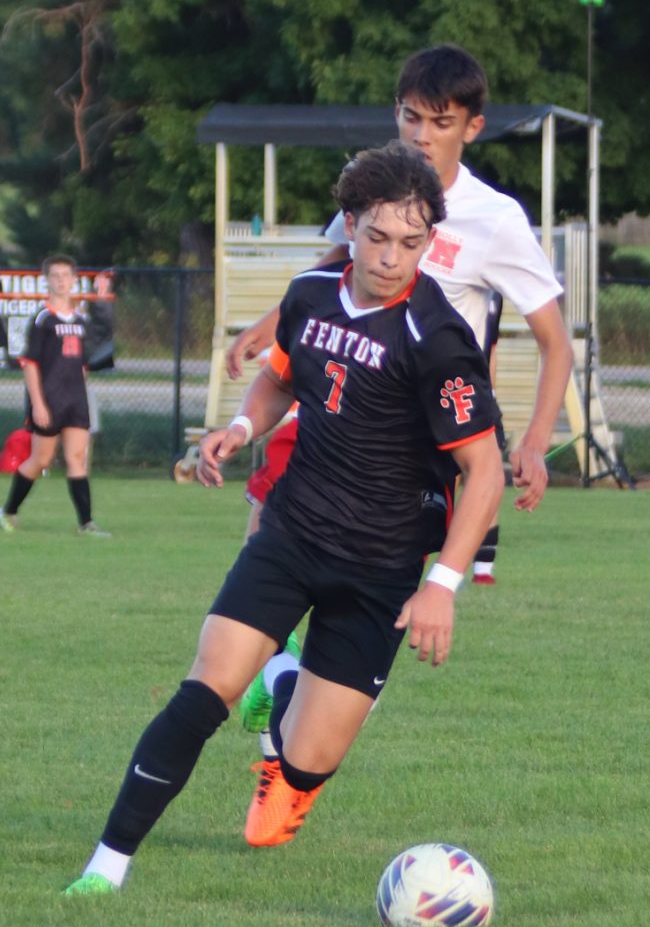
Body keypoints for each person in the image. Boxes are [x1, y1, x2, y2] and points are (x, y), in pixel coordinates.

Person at [63, 141, 504, 894]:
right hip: (294, 532)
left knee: (303, 768)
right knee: (206, 690)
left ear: (428, 240)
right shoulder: (308, 293)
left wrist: (443, 585)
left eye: (410, 242)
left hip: (381, 569)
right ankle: (106, 868)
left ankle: (290, 704)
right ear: (350, 224)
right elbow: (278, 381)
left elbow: (483, 469)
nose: (391, 258)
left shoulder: (437, 343)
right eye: (375, 237)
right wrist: (240, 428)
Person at [227, 45, 573, 581]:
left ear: (472, 127)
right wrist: (268, 325)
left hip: (416, 430)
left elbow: (556, 342)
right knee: (269, 519)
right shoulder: (379, 185)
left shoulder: (496, 219)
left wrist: (535, 441)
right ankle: (269, 660)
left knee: (370, 582)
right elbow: (332, 270)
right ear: (396, 113)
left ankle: (306, 657)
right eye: (411, 117)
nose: (421, 135)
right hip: (343, 398)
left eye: (441, 122)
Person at [0, 254, 110, 537]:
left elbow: (80, 364)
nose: (60, 280)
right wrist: (38, 403)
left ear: (74, 280)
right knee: (41, 460)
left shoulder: (81, 319)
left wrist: (82, 392)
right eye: (55, 276)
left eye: (65, 275)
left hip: (75, 400)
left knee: (77, 457)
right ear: (47, 280)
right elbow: (30, 364)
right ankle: (7, 511)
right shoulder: (42, 319)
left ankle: (86, 523)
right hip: (49, 399)